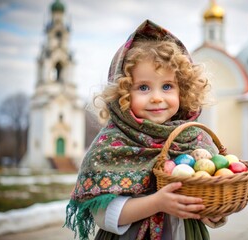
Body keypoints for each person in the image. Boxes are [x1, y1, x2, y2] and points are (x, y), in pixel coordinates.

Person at [64, 19, 226, 240]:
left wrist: (212, 213)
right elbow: (103, 215)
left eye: (167, 86)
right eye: (143, 87)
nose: (157, 97)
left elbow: (207, 194)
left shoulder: (194, 139)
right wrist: (157, 203)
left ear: (184, 90)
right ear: (123, 92)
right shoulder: (112, 143)